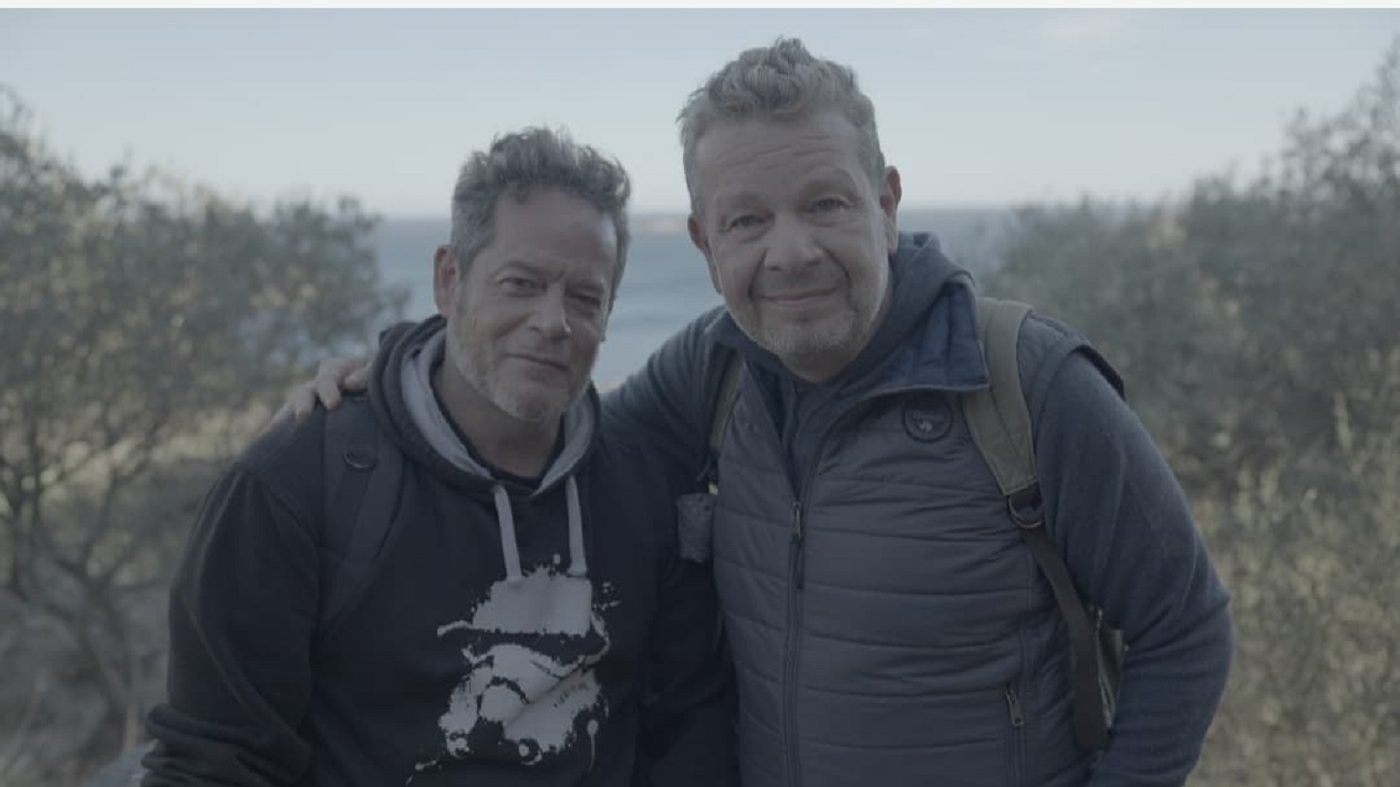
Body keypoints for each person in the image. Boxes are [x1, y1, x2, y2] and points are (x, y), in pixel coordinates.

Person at [284, 39, 1234, 787]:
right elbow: (554, 440)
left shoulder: (1027, 383)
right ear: (706, 243)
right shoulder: (715, 368)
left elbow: (1184, 626)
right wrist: (402, 377)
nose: (790, 253)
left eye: (824, 204)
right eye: (747, 220)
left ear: (886, 202)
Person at [143, 127, 735, 787]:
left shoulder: (641, 488)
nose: (552, 321)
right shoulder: (298, 484)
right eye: (520, 283)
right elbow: (214, 760)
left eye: (584, 297)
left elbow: (688, 726)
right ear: (449, 280)